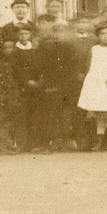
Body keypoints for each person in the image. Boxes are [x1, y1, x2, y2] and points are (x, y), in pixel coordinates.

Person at [33, 20, 77, 151]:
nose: (59, 34)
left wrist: (69, 84)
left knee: (66, 115)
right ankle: (50, 142)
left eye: (62, 31)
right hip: (51, 85)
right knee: (50, 114)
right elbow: (40, 66)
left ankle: (66, 141)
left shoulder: (71, 47)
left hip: (67, 86)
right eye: (56, 31)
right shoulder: (45, 46)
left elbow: (73, 67)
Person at [77, 21, 107, 150]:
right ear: (98, 36)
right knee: (99, 114)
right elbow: (87, 66)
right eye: (102, 34)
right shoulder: (93, 49)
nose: (105, 37)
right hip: (96, 84)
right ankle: (99, 142)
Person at [10, 26, 40, 151]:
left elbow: (38, 65)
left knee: (34, 115)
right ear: (17, 35)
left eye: (26, 33)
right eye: (21, 34)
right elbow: (15, 68)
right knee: (22, 115)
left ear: (30, 35)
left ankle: (33, 144)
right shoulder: (15, 52)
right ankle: (21, 144)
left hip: (35, 85)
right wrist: (26, 81)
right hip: (21, 86)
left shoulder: (34, 49)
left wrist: (38, 80)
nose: (23, 36)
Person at [69, 17, 94, 150]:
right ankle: (80, 141)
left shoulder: (94, 40)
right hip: (74, 81)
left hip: (92, 79)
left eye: (85, 23)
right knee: (77, 111)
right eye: (80, 24)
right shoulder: (69, 41)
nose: (82, 26)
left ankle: (92, 141)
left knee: (92, 110)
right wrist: (76, 74)